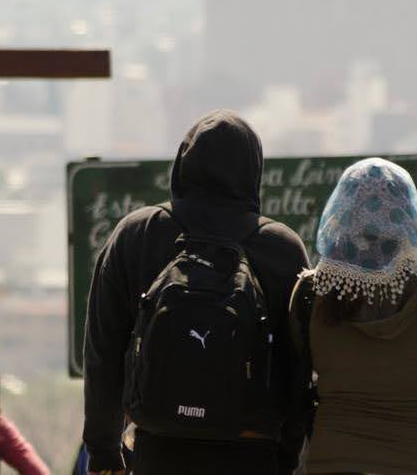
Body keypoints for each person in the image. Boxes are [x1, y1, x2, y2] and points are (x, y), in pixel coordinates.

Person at [83, 109, 310, 475]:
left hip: (158, 446)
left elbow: (103, 353)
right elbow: (298, 367)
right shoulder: (280, 248)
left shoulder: (137, 234)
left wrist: (103, 452)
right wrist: (286, 456)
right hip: (251, 450)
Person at [289, 157, 417, 474]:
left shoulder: (312, 294)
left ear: (341, 215)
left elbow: (289, 390)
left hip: (335, 462)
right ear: (409, 218)